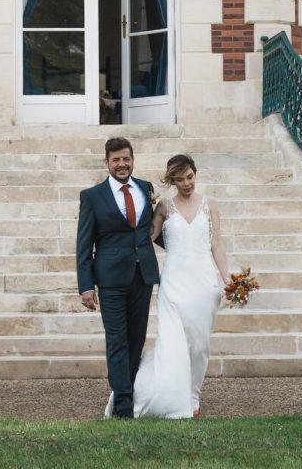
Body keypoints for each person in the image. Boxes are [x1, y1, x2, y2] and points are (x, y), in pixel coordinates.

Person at [121, 153, 229, 420]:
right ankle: (174, 400)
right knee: (172, 341)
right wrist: (144, 209)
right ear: (172, 181)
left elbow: (216, 243)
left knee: (199, 344)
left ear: (195, 172)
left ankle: (193, 395)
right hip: (173, 281)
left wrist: (228, 279)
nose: (186, 183)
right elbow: (147, 238)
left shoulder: (210, 203)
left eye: (189, 176)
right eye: (179, 179)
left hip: (204, 281)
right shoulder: (165, 207)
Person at [76, 136, 160, 419]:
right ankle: (123, 405)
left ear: (132, 160)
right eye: (116, 160)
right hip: (111, 279)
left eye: (126, 159)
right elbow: (84, 243)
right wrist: (86, 286)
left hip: (143, 276)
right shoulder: (92, 196)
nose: (122, 164)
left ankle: (130, 391)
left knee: (136, 339)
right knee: (117, 340)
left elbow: (152, 231)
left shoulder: (145, 188)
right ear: (107, 162)